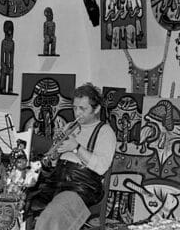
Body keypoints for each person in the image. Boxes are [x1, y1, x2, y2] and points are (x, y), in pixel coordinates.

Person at [25, 83, 117, 230]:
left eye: (83, 108)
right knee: (21, 202)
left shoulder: (105, 132)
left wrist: (77, 148)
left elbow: (101, 167)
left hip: (82, 186)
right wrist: (54, 156)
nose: (77, 113)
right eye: (74, 107)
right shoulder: (69, 126)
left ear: (97, 109)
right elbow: (54, 164)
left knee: (53, 215)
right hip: (56, 182)